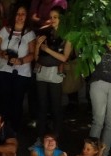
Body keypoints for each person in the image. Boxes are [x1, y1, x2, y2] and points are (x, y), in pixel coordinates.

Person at [0, 4, 35, 134]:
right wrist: (2, 54)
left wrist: (21, 61)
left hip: (21, 73)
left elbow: (33, 54)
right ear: (13, 15)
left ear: (27, 16)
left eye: (23, 14)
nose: (20, 17)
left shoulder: (29, 33)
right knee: (3, 100)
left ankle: (14, 130)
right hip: (4, 70)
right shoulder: (5, 30)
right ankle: (0, 129)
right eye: (17, 14)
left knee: (17, 101)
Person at [33, 8, 71, 141]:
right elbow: (36, 58)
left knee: (56, 106)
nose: (52, 20)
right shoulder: (45, 32)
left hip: (55, 72)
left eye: (56, 17)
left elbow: (64, 57)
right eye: (51, 17)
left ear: (62, 19)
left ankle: (55, 139)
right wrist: (37, 45)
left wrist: (47, 49)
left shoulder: (67, 35)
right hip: (41, 71)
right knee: (42, 106)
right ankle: (40, 138)